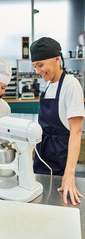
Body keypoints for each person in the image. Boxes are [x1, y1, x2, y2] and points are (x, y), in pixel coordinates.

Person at [30, 37, 85, 205]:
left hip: (60, 162)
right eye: (35, 66)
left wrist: (69, 175)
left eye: (41, 65)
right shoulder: (49, 86)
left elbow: (76, 132)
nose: (38, 71)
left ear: (57, 59)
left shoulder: (71, 85)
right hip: (42, 158)